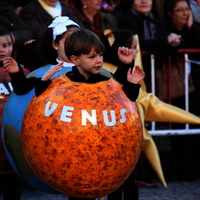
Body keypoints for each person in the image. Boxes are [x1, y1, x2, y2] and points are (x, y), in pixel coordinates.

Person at [163, 0, 200, 181]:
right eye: (180, 10)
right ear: (170, 13)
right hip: (177, 86)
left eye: (187, 9)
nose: (185, 13)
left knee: (194, 124)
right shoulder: (166, 31)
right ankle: (180, 167)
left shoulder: (194, 28)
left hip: (195, 84)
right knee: (179, 126)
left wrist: (192, 27)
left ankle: (192, 165)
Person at [102, 29, 139, 200]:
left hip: (123, 134)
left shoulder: (107, 73)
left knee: (128, 179)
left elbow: (125, 95)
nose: (97, 60)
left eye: (98, 55)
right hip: (102, 137)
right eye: (91, 56)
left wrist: (126, 65)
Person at [114, 0, 181, 92]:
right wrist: (166, 41)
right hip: (134, 71)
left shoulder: (156, 20)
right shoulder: (124, 20)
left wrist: (173, 44)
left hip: (155, 71)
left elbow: (164, 46)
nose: (144, 1)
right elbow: (136, 43)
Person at [3, 16, 80, 95]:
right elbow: (22, 90)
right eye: (69, 42)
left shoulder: (90, 67)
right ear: (55, 44)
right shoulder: (45, 70)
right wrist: (16, 73)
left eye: (79, 42)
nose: (74, 46)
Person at [0, 27, 30, 200]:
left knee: (14, 193)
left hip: (13, 150)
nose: (2, 49)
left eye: (6, 45)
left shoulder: (23, 73)